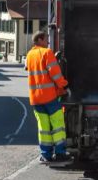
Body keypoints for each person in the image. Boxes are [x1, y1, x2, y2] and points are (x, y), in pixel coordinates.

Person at [26, 31, 71, 164]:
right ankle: (60, 153)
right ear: (40, 39)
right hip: (49, 97)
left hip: (35, 99)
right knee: (57, 124)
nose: (48, 42)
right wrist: (64, 86)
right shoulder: (46, 52)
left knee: (43, 127)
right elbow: (55, 74)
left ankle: (46, 155)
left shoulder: (29, 55)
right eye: (46, 40)